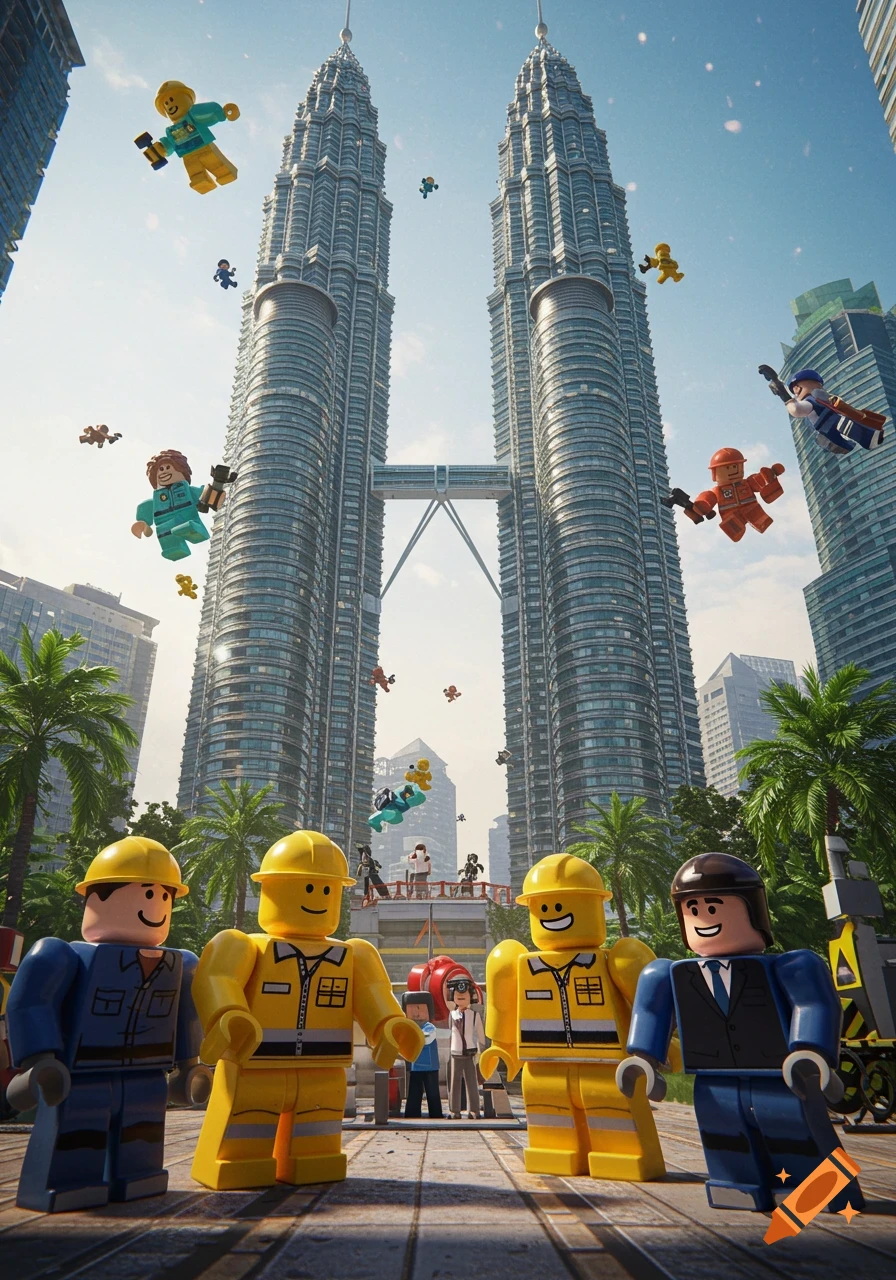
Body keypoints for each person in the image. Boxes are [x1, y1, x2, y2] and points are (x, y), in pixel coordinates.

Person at [617, 852, 863, 1214]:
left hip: (777, 1074)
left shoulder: (790, 965)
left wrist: (810, 1051)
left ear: (752, 910)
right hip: (712, 1076)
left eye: (713, 908)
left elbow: (814, 1006)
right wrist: (643, 1057)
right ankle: (738, 1186)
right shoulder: (669, 974)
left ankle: (813, 1191)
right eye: (693, 909)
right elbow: (653, 1012)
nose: (702, 919)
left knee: (794, 1130)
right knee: (722, 1133)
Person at [5, 838, 208, 1212]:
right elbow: (32, 1002)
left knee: (142, 1129)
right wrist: (41, 1058)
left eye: (165, 897)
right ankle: (68, 1185)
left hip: (146, 1071)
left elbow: (186, 1014)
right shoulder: (62, 955)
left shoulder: (180, 964)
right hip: (83, 1070)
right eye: (148, 894)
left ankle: (139, 1178)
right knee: (77, 1129)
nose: (157, 906)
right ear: (96, 898)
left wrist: (188, 1064)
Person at [401, 991, 443, 1118]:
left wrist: (413, 1036)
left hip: (430, 1065)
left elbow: (427, 1038)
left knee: (433, 1092)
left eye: (419, 1008)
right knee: (414, 1091)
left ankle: (436, 1113)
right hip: (415, 1064)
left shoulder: (429, 1027)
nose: (416, 1013)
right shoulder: (409, 1027)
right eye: (411, 1009)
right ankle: (412, 1113)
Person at [447, 977, 485, 1118]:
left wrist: (482, 1051)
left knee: (472, 1082)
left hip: (469, 1052)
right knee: (455, 1082)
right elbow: (450, 1032)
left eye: (464, 995)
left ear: (471, 997)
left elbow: (480, 1034)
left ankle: (474, 1110)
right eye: (457, 995)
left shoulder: (474, 1015)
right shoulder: (452, 1015)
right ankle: (454, 1110)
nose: (460, 997)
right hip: (456, 1052)